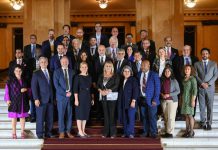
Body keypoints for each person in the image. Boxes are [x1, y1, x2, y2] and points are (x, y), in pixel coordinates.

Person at [194, 48, 218, 130]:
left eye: (206, 53)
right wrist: (202, 83)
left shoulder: (214, 64)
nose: (205, 55)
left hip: (210, 88)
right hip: (201, 88)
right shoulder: (196, 64)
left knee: (210, 106)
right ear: (201, 55)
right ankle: (203, 122)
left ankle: (209, 122)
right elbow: (196, 75)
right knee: (202, 106)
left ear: (209, 55)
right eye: (203, 53)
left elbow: (215, 75)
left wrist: (208, 83)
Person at [4, 65, 30, 139]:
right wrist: (8, 100)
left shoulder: (24, 80)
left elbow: (28, 90)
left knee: (22, 117)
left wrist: (26, 90)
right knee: (14, 118)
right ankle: (14, 133)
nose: (18, 72)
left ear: (21, 72)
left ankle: (22, 132)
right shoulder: (10, 81)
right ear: (14, 72)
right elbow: (7, 91)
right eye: (16, 71)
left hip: (22, 101)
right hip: (14, 102)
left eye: (20, 71)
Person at [31, 57, 54, 139]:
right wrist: (36, 98)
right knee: (40, 117)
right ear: (39, 63)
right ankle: (40, 134)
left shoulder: (51, 72)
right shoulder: (36, 73)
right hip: (40, 99)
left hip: (50, 99)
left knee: (50, 117)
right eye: (42, 62)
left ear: (47, 63)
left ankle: (48, 132)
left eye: (45, 62)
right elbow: (34, 87)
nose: (43, 63)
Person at [53, 56, 75, 139]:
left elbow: (75, 84)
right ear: (61, 63)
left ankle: (68, 131)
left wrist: (71, 92)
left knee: (69, 115)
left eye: (66, 62)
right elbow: (56, 86)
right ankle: (61, 132)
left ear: (68, 62)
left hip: (70, 96)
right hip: (61, 97)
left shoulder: (72, 72)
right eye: (63, 62)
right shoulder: (56, 72)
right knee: (61, 115)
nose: (65, 63)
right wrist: (65, 94)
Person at [97, 61, 120, 138]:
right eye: (106, 66)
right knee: (106, 115)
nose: (108, 67)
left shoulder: (116, 76)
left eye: (109, 66)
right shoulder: (101, 75)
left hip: (112, 97)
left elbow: (116, 85)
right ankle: (106, 132)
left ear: (112, 67)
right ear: (104, 67)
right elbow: (98, 85)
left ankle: (113, 132)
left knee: (112, 115)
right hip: (103, 97)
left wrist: (107, 91)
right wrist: (100, 90)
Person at [139, 60, 160, 138]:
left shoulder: (154, 75)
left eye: (144, 65)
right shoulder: (139, 74)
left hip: (152, 100)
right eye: (142, 65)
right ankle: (145, 132)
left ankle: (153, 132)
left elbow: (157, 88)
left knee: (152, 116)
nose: (143, 66)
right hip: (142, 99)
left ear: (149, 66)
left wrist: (155, 99)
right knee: (144, 117)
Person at [74, 62, 94, 138]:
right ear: (80, 68)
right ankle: (79, 131)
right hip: (80, 97)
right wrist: (76, 99)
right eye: (82, 67)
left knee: (85, 115)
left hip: (87, 97)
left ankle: (83, 130)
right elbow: (75, 89)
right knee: (79, 115)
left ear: (87, 68)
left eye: (85, 67)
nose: (84, 68)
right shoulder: (77, 77)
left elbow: (91, 89)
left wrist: (92, 98)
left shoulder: (89, 77)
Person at [118, 66, 139, 138]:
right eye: (125, 71)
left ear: (131, 72)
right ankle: (125, 132)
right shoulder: (122, 80)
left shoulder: (133, 79)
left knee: (131, 118)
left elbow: (136, 90)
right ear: (123, 72)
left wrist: (133, 100)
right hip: (123, 102)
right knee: (124, 118)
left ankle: (131, 133)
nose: (126, 73)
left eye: (128, 71)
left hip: (131, 102)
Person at [160, 67, 180, 138]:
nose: (167, 73)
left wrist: (169, 94)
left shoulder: (174, 81)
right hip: (164, 100)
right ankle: (166, 132)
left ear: (171, 72)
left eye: (168, 71)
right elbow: (160, 90)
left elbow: (178, 91)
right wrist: (162, 94)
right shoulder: (162, 80)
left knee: (171, 117)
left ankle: (170, 133)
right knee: (165, 117)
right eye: (165, 71)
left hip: (172, 101)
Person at [181, 65, 197, 138]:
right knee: (186, 115)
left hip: (190, 99)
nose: (187, 70)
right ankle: (187, 131)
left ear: (191, 71)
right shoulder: (184, 79)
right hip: (184, 99)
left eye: (188, 69)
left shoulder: (192, 79)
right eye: (186, 69)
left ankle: (191, 131)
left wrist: (193, 100)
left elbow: (195, 90)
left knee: (190, 115)